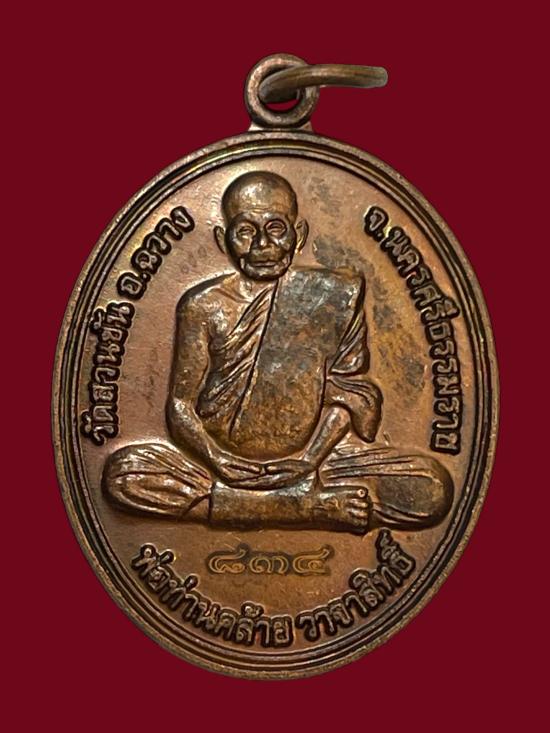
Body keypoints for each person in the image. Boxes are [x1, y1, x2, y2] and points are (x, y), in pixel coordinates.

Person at [103, 171, 453, 534]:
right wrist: (216, 457)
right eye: (245, 232)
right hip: (215, 465)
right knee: (125, 475)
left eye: (275, 229)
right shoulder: (202, 306)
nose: (262, 246)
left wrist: (309, 459)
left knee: (429, 488)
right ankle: (306, 508)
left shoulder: (334, 295)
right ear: (222, 240)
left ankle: (238, 504)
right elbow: (180, 405)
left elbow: (351, 394)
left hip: (315, 460)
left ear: (298, 235)